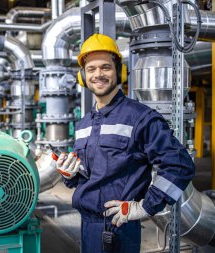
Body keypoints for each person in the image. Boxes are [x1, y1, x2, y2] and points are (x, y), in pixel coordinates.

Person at [56, 33, 195, 253]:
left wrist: (144, 207)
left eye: (105, 67)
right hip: (87, 227)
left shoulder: (140, 117)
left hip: (118, 230)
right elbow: (89, 176)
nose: (98, 74)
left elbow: (180, 165)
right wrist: (70, 175)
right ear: (83, 76)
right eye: (91, 69)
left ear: (119, 72)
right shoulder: (83, 124)